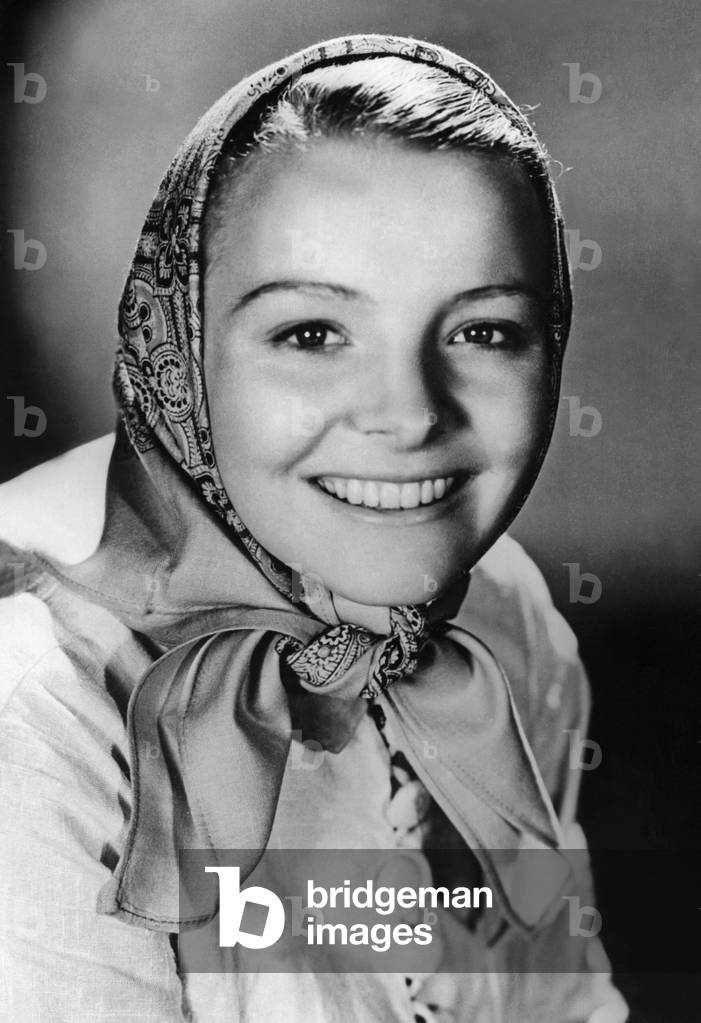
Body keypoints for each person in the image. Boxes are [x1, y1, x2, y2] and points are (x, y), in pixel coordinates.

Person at [0, 33, 629, 1023]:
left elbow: (565, 1001)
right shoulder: (37, 705)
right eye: (311, 334)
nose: (408, 413)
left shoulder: (498, 627)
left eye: (482, 331)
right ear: (182, 351)